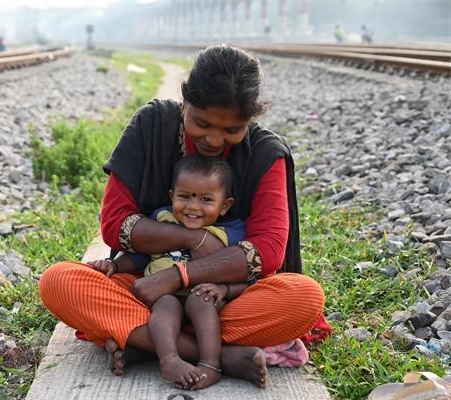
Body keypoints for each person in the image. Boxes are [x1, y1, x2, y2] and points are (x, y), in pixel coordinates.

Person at [39, 45, 328, 390]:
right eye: (201, 123)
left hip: (226, 297)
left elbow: (269, 251)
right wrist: (193, 239)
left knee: (304, 297)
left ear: (251, 119)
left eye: (232, 129)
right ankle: (220, 354)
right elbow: (115, 224)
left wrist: (181, 275)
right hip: (147, 289)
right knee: (59, 281)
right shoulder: (152, 125)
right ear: (185, 99)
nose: (215, 139)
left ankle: (148, 343)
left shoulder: (265, 153)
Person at [88, 154, 247, 389]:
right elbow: (141, 256)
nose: (193, 207)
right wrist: (114, 265)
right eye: (184, 196)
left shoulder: (232, 230)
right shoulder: (162, 219)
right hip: (158, 297)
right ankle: (169, 359)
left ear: (225, 205)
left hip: (204, 297)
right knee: (165, 305)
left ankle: (210, 364)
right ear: (172, 196)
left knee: (201, 302)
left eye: (206, 199)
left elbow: (245, 273)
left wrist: (223, 289)